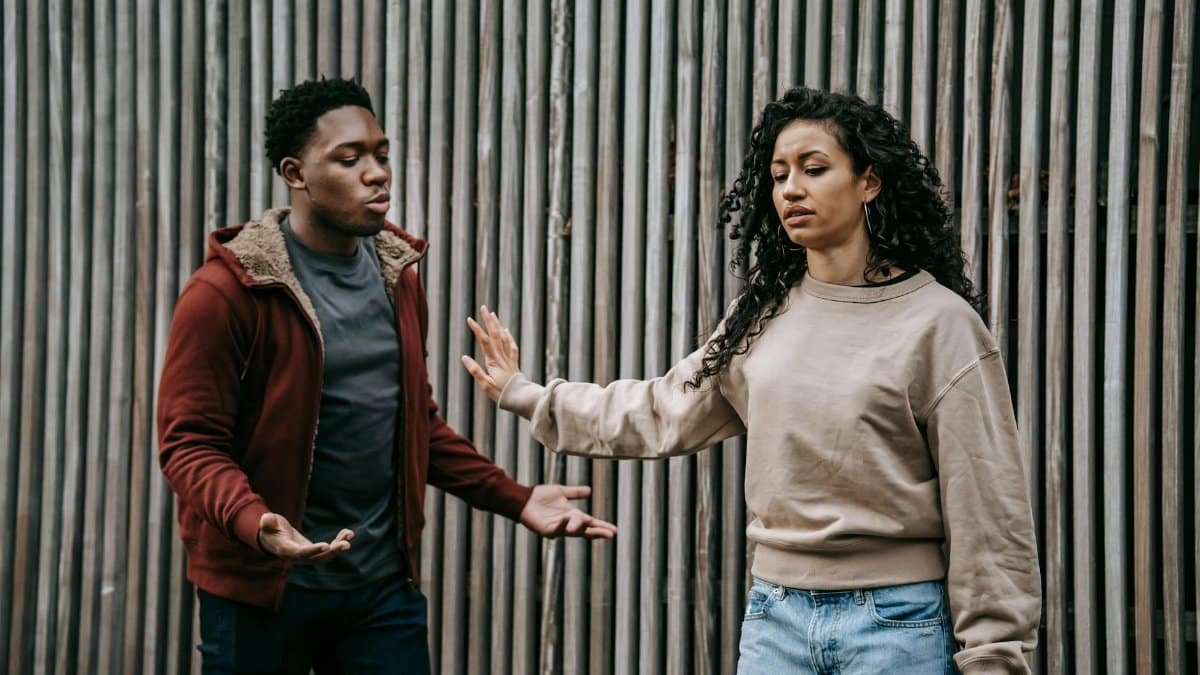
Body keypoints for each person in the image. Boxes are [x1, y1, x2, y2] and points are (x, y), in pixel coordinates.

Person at [463, 87, 1040, 674]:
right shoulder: (762, 317)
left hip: (898, 625)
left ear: (868, 182)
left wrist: (993, 656)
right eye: (779, 174)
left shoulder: (939, 323)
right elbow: (662, 410)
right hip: (776, 621)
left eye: (815, 169)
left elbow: (988, 505)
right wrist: (527, 394)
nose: (791, 189)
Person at [157, 77, 616, 675]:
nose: (377, 174)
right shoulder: (228, 292)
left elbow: (415, 425)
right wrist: (256, 523)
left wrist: (518, 498)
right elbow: (189, 444)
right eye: (349, 159)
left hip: (379, 590)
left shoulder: (396, 276)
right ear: (296, 174)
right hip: (261, 591)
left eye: (381, 154)